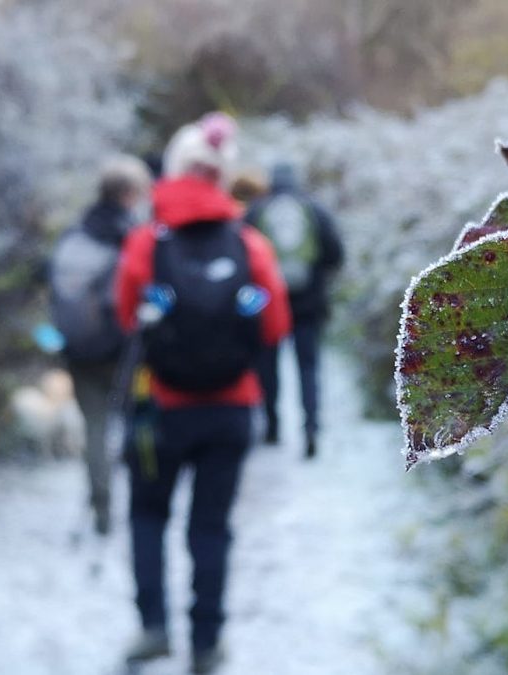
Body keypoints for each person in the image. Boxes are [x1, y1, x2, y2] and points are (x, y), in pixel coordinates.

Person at [115, 112, 291, 674]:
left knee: (147, 517)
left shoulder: (148, 242)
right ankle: (208, 643)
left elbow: (125, 316)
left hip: (159, 409)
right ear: (223, 175)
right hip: (231, 407)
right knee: (211, 527)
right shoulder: (249, 242)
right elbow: (274, 325)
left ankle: (153, 627)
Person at [49, 154, 152, 535]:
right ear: (128, 192)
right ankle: (141, 504)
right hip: (123, 348)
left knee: (94, 427)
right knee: (134, 424)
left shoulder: (75, 234)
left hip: (77, 348)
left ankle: (101, 505)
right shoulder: (132, 235)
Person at [245, 163, 344, 458]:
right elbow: (335, 253)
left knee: (267, 366)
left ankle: (273, 425)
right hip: (309, 304)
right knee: (308, 368)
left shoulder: (256, 211)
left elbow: (243, 255)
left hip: (268, 305)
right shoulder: (314, 210)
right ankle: (311, 428)